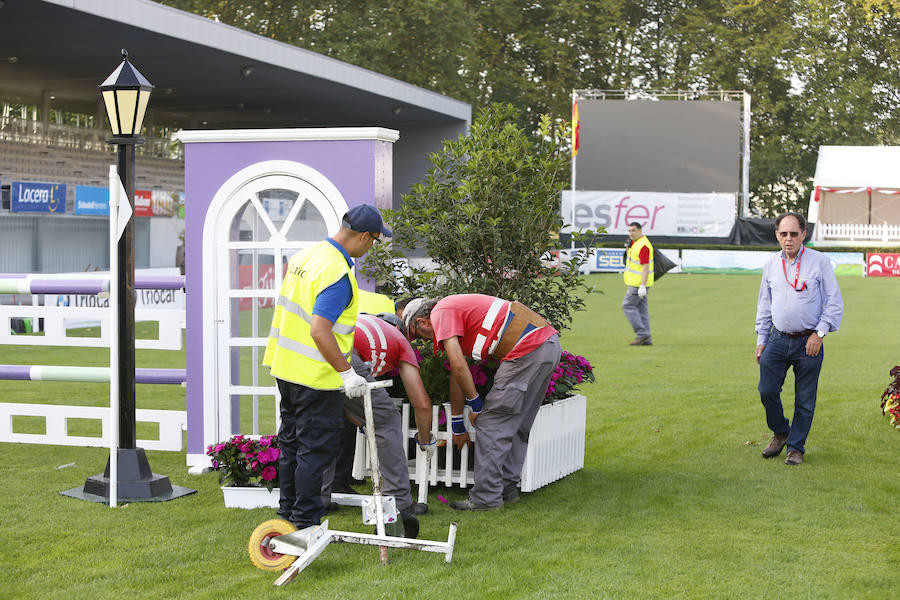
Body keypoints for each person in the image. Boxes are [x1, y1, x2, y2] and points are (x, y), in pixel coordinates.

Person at [262, 204, 390, 529]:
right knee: (315, 449)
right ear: (363, 236)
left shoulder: (307, 256)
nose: (371, 247)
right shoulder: (337, 274)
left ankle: (287, 515)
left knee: (291, 443)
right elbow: (320, 329)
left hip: (286, 368)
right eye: (374, 240)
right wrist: (347, 374)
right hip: (316, 377)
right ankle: (305, 525)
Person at [402, 294, 560, 511]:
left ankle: (486, 499)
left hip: (526, 350)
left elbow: (458, 366)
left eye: (418, 335)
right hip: (547, 346)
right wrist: (457, 423)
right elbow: (457, 373)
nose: (424, 341)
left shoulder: (441, 313)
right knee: (517, 424)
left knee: (491, 423)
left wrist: (477, 405)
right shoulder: (455, 313)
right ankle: (506, 489)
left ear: (422, 321)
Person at [322, 312, 436, 534]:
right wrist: (425, 441)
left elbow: (343, 405)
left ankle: (317, 498)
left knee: (324, 422)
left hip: (316, 352)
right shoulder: (400, 340)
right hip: (345, 356)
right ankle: (399, 504)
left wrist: (363, 423)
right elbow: (421, 404)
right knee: (388, 421)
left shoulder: (365, 324)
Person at [755, 212, 843, 466]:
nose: (789, 239)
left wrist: (820, 333)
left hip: (809, 342)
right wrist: (761, 339)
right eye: (784, 234)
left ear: (804, 234)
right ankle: (781, 431)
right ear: (777, 236)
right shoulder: (771, 264)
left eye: (794, 234)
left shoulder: (819, 262)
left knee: (805, 398)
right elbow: (765, 303)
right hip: (777, 339)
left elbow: (834, 302)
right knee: (767, 391)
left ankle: (796, 448)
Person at [622, 221, 654, 345]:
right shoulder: (635, 243)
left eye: (633, 230)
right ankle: (646, 337)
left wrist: (642, 285)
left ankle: (642, 334)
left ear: (640, 231)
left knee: (627, 305)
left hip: (638, 283)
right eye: (629, 231)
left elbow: (645, 267)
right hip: (637, 282)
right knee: (642, 309)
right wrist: (627, 247)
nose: (631, 233)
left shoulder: (643, 246)